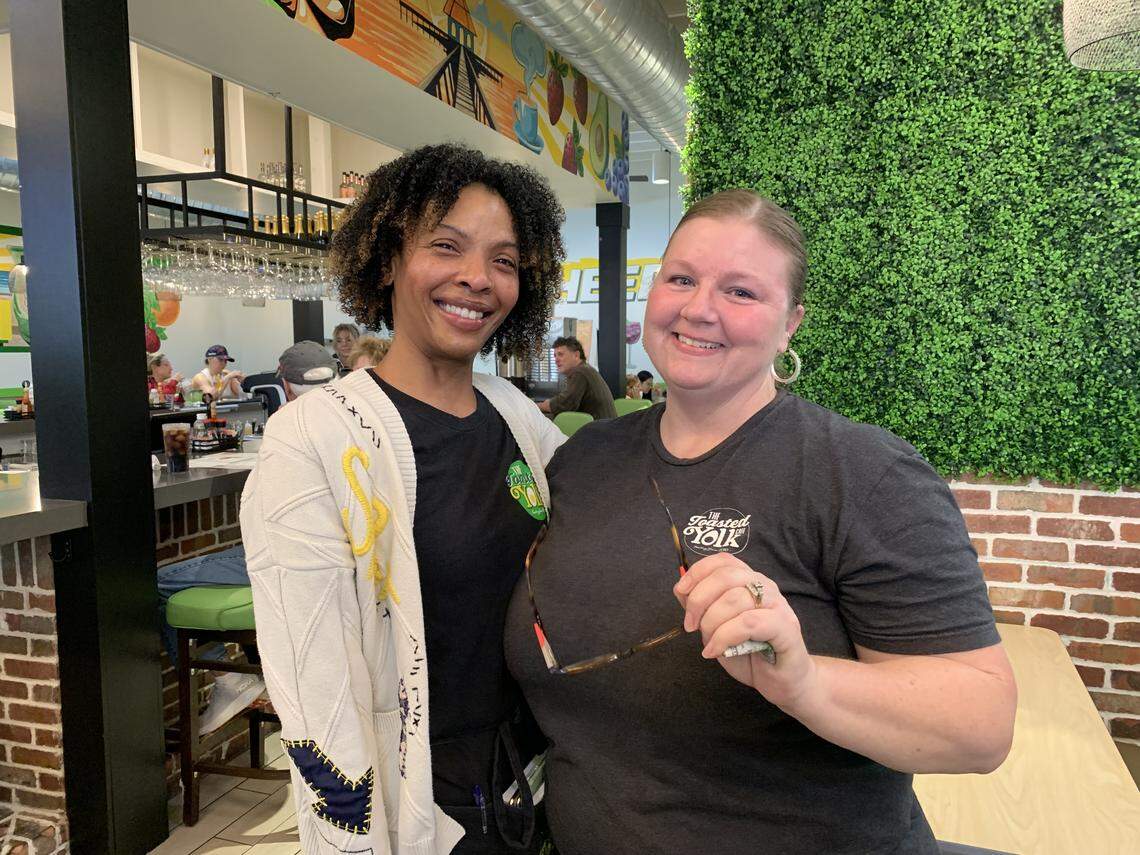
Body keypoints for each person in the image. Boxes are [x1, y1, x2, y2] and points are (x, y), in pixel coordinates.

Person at [505, 189, 1017, 855]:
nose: (699, 308)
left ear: (790, 324)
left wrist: (803, 681)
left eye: (741, 292)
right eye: (681, 279)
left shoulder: (860, 473)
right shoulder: (585, 459)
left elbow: (980, 725)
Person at [240, 144, 567, 854]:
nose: (477, 277)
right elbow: (312, 683)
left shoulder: (516, 416)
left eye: (504, 260)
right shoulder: (316, 438)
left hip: (532, 780)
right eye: (446, 246)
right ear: (386, 259)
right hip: (417, 799)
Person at [537, 336, 617, 421]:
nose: (556, 360)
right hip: (604, 425)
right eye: (555, 356)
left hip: (601, 427)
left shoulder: (580, 372)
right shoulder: (585, 369)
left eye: (560, 354)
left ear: (576, 355)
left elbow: (565, 404)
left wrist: (538, 406)